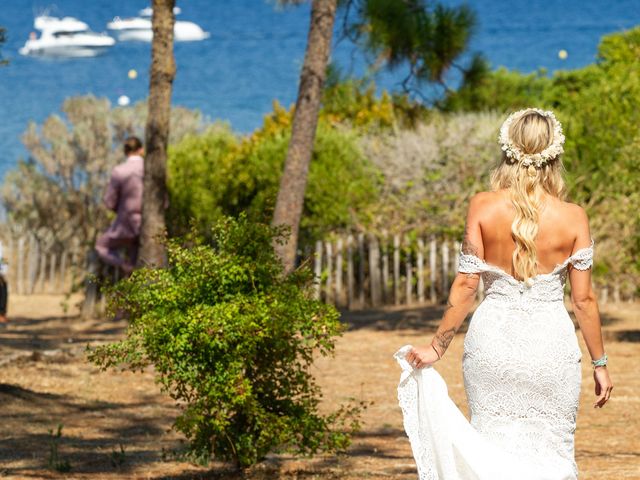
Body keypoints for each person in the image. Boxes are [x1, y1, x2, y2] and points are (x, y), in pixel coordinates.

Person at [396, 108, 613, 480]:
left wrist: (437, 347)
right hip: (550, 349)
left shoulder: (482, 205)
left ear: (507, 149)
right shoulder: (574, 217)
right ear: (555, 154)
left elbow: (466, 285)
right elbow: (583, 301)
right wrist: (600, 364)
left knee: (489, 447)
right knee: (552, 450)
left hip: (492, 345)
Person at [95, 136, 144, 275]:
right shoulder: (151, 169)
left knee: (101, 246)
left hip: (125, 223)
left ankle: (125, 266)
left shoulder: (119, 171)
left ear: (125, 152)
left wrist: (120, 209)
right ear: (142, 150)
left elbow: (109, 201)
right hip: (148, 224)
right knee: (137, 252)